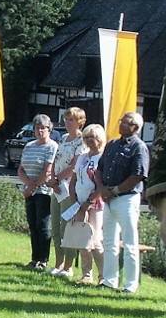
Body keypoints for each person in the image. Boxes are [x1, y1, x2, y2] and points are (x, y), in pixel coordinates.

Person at [97, 111, 151, 293]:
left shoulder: (139, 147)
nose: (121, 124)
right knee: (109, 241)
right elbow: (100, 169)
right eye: (121, 121)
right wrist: (102, 189)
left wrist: (115, 190)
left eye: (126, 123)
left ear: (135, 127)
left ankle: (130, 285)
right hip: (108, 198)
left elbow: (137, 175)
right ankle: (109, 281)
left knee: (129, 242)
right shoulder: (112, 144)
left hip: (127, 198)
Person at [48, 107, 87, 277]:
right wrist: (53, 180)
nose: (68, 122)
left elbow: (74, 167)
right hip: (57, 189)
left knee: (67, 228)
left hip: (70, 188)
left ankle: (68, 266)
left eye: (71, 119)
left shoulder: (82, 141)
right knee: (55, 227)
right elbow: (57, 161)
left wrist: (57, 180)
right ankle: (58, 263)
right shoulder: (63, 138)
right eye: (66, 119)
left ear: (80, 122)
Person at [17, 114, 58, 270]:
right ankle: (34, 258)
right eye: (37, 128)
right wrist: (27, 186)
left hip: (44, 191)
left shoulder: (52, 146)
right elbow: (21, 169)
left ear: (49, 129)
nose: (40, 131)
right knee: (32, 225)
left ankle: (43, 259)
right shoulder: (29, 146)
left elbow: (48, 171)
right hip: (29, 190)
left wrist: (32, 187)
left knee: (42, 225)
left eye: (44, 128)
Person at [68, 124, 106, 284]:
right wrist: (74, 200)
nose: (90, 140)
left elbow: (102, 184)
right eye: (87, 137)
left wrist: (90, 201)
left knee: (96, 241)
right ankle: (86, 275)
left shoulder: (103, 158)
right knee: (83, 240)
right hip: (79, 203)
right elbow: (74, 179)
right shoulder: (83, 157)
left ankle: (103, 276)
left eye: (93, 137)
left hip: (96, 204)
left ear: (100, 139)